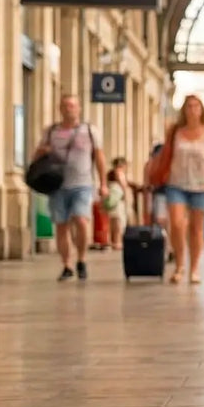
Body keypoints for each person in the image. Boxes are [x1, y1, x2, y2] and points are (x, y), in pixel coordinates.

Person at [32, 94, 107, 281]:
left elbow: (99, 157)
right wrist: (41, 152)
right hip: (57, 186)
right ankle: (67, 264)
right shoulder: (51, 132)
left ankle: (81, 259)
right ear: (60, 109)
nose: (69, 109)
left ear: (79, 108)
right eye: (65, 105)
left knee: (81, 221)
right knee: (61, 226)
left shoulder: (89, 130)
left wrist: (103, 183)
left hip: (82, 184)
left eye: (72, 105)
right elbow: (36, 158)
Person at [155, 94, 204, 284]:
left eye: (196, 106)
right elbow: (166, 154)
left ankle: (194, 269)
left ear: (202, 110)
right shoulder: (175, 131)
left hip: (202, 185)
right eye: (189, 106)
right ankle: (179, 265)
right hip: (176, 183)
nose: (193, 110)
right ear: (184, 110)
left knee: (196, 229)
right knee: (177, 224)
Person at [102, 165, 129, 250]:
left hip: (113, 208)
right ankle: (117, 242)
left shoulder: (111, 185)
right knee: (117, 225)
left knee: (114, 225)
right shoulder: (116, 186)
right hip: (116, 208)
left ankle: (114, 241)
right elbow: (122, 190)